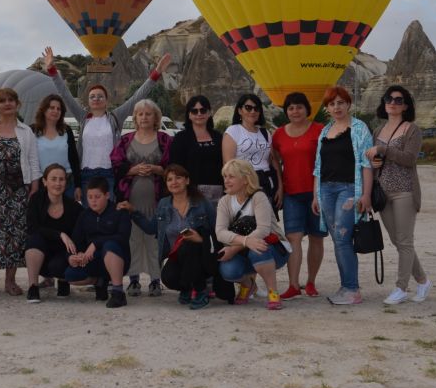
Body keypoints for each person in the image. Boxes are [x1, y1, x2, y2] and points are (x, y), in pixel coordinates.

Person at [42, 46, 171, 196]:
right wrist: (52, 71)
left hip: (109, 174)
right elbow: (65, 94)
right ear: (88, 101)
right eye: (92, 97)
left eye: (100, 96)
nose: (96, 99)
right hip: (86, 175)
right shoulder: (83, 118)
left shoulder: (116, 116)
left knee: (108, 215)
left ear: (106, 100)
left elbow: (138, 96)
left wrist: (156, 73)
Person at [119, 164, 230, 309]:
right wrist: (133, 211)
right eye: (169, 179)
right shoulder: (164, 204)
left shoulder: (202, 203)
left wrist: (201, 240)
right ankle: (186, 288)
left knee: (189, 244)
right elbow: (152, 228)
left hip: (202, 257)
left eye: (178, 178)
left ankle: (200, 291)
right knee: (168, 277)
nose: (174, 182)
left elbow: (218, 230)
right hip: (176, 257)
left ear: (187, 181)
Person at [367, 86, 431, 305]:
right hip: (383, 193)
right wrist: (375, 162)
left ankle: (401, 287)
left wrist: (383, 151)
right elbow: (377, 162)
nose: (392, 103)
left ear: (405, 105)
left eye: (398, 99)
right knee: (398, 241)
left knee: (404, 241)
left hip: (405, 191)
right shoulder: (377, 131)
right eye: (389, 99)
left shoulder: (412, 130)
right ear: (384, 103)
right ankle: (422, 280)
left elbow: (410, 159)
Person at [312, 85, 374, 306]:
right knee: (338, 240)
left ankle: (351, 288)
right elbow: (318, 167)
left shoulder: (359, 129)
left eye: (340, 102)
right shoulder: (325, 131)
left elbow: (367, 164)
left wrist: (366, 195)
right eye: (331, 104)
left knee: (342, 238)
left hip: (349, 189)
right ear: (327, 108)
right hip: (326, 190)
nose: (336, 107)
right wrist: (315, 195)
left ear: (348, 104)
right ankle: (346, 286)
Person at [0, 88, 41, 296]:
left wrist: (35, 184)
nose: (7, 104)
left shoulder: (25, 131)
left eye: (11, 100)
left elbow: (32, 159)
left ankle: (10, 281)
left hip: (17, 189)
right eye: (2, 101)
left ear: (17, 104)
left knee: (15, 235)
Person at [110, 98, 171, 297]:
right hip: (130, 200)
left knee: (154, 241)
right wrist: (132, 169)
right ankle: (133, 279)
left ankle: (155, 280)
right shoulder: (126, 140)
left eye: (148, 113)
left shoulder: (165, 139)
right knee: (132, 239)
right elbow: (115, 166)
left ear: (156, 117)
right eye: (140, 114)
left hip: (158, 200)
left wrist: (157, 169)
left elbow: (174, 168)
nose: (144, 117)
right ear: (135, 117)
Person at [271, 92, 326, 300]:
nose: (295, 111)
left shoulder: (319, 130)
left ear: (307, 109)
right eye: (291, 108)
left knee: (316, 237)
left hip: (316, 192)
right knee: (293, 238)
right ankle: (293, 284)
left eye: (299, 107)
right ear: (286, 111)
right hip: (292, 193)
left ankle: (311, 282)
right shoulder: (278, 135)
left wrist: (320, 191)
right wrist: (280, 185)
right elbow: (275, 160)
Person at [215, 159, 289, 310]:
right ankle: (248, 284)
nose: (226, 181)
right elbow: (220, 232)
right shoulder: (224, 201)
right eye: (225, 176)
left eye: (231, 176)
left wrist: (235, 247)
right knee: (228, 271)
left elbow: (263, 230)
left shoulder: (259, 197)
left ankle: (273, 292)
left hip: (273, 249)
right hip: (244, 249)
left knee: (259, 248)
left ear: (245, 179)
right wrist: (245, 241)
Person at [65, 177, 132, 308]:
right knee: (70, 275)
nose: (93, 200)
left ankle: (118, 293)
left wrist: (96, 244)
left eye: (97, 196)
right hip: (94, 259)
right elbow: (76, 240)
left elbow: (123, 237)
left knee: (109, 246)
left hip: (118, 259)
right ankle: (100, 281)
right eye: (90, 197)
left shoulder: (119, 212)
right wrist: (73, 256)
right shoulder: (84, 215)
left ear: (107, 195)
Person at [24, 164, 83, 303]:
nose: (57, 183)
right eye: (53, 179)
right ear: (44, 181)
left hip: (62, 253)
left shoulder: (74, 207)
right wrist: (60, 234)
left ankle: (63, 281)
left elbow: (81, 233)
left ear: (66, 182)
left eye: (61, 179)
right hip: (40, 250)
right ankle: (33, 287)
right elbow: (33, 228)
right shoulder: (36, 200)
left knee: (57, 266)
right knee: (33, 240)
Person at [222, 93, 282, 208]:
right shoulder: (233, 131)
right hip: (244, 185)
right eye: (248, 108)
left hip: (266, 184)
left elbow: (274, 162)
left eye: (256, 108)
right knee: (247, 222)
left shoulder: (265, 133)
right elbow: (228, 164)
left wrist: (280, 187)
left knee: (266, 222)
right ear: (240, 110)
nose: (252, 111)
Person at [169, 94, 224, 203]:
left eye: (203, 110)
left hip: (218, 192)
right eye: (194, 111)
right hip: (191, 193)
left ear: (209, 113)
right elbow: (176, 167)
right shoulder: (181, 138)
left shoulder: (219, 137)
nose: (199, 114)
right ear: (189, 115)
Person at [32, 94, 81, 202]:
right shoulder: (33, 131)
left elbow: (74, 159)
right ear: (44, 109)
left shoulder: (66, 130)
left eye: (59, 109)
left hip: (66, 183)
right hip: (42, 184)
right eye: (52, 107)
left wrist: (78, 185)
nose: (55, 111)